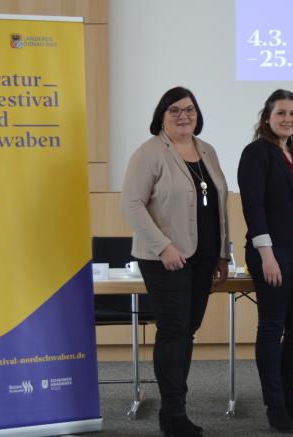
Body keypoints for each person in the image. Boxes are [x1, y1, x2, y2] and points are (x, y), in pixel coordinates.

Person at [121, 86, 230, 437]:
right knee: (174, 332)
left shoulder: (207, 151)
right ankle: (172, 413)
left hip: (203, 258)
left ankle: (175, 410)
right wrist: (164, 246)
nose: (184, 115)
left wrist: (222, 254)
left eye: (189, 109)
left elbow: (219, 204)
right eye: (175, 110)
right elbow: (131, 205)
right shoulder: (149, 152)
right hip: (166, 258)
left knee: (187, 332)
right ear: (161, 116)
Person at [238, 89, 293, 433]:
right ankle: (274, 405)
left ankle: (290, 400)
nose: (288, 118)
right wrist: (266, 253)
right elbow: (253, 207)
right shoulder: (256, 153)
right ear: (267, 117)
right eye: (281, 113)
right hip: (272, 251)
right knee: (273, 328)